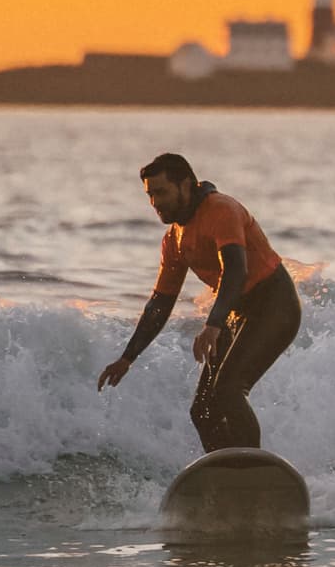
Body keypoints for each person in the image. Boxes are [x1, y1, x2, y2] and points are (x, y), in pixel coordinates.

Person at [95, 153, 302, 453]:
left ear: (186, 185)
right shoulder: (174, 240)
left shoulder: (221, 210)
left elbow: (235, 270)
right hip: (237, 313)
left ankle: (254, 472)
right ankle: (226, 471)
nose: (155, 202)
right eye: (150, 195)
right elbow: (160, 303)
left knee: (229, 391)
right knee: (203, 410)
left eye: (161, 192)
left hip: (275, 306)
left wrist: (213, 325)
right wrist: (128, 357)